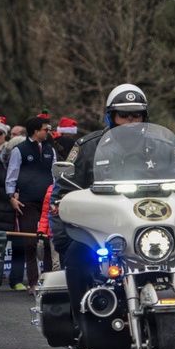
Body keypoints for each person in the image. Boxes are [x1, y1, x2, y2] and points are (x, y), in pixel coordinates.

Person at [52, 83, 150, 327]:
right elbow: (63, 193)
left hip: (148, 233)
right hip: (101, 235)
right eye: (124, 115)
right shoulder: (88, 147)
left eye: (136, 114)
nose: (130, 120)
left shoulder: (161, 146)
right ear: (111, 117)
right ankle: (81, 322)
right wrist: (64, 239)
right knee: (76, 257)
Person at [6, 115, 56, 292]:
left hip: (48, 202)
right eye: (45, 129)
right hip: (27, 201)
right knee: (30, 242)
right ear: (36, 131)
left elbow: (55, 173)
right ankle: (33, 282)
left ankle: (49, 280)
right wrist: (12, 197)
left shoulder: (50, 149)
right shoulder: (20, 150)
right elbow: (12, 175)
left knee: (49, 242)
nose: (48, 132)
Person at [0, 138, 27, 291]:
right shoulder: (0, 165)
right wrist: (9, 196)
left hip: (19, 213)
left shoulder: (27, 166)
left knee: (19, 247)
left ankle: (16, 280)